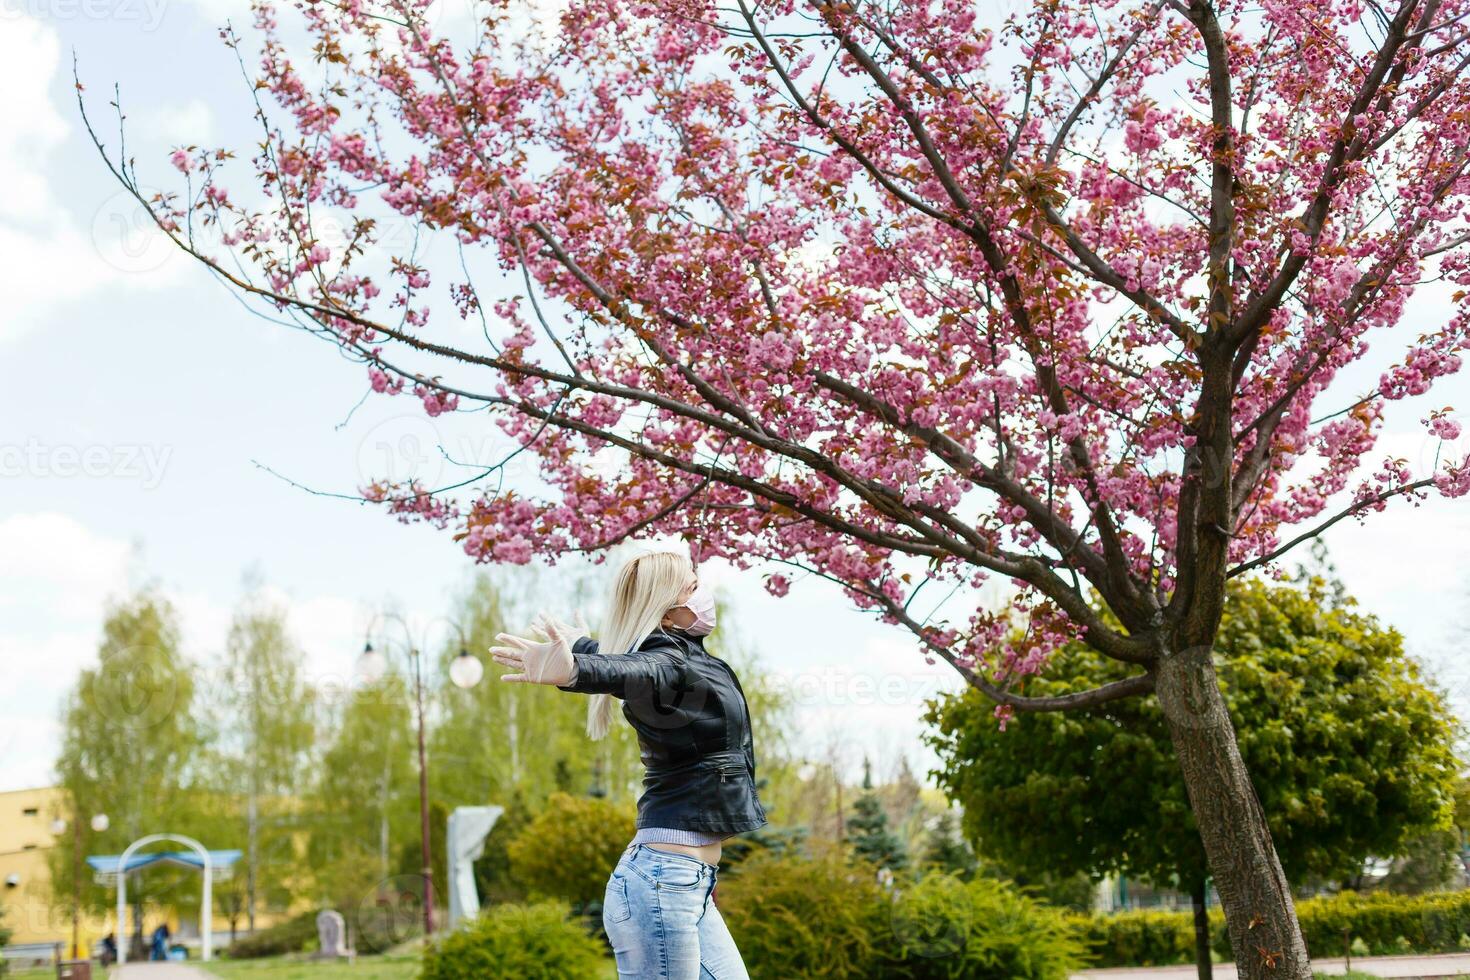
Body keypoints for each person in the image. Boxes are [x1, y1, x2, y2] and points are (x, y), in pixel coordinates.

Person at [490, 550, 767, 979]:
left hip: (686, 882)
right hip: (662, 881)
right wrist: (576, 669)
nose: (703, 593)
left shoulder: (682, 660)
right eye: (692, 587)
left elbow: (628, 661)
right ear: (668, 610)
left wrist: (583, 648)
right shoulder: (668, 665)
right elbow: (637, 669)